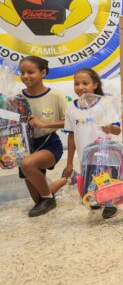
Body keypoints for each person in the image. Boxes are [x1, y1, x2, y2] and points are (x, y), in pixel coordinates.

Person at [59, 69, 122, 219]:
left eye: (85, 83)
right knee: (91, 177)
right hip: (84, 156)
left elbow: (117, 130)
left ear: (95, 84)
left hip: (105, 153)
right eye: (76, 84)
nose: (80, 87)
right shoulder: (71, 107)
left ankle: (110, 203)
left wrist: (110, 127)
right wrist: (69, 164)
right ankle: (95, 197)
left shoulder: (105, 103)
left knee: (107, 177)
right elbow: (71, 136)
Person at [17, 56, 67, 217]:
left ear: (43, 72)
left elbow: (70, 123)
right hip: (25, 146)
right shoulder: (17, 98)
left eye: (30, 72)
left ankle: (49, 199)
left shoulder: (56, 95)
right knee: (38, 198)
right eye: (22, 72)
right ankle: (60, 183)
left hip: (49, 144)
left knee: (27, 164)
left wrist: (45, 124)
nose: (25, 76)